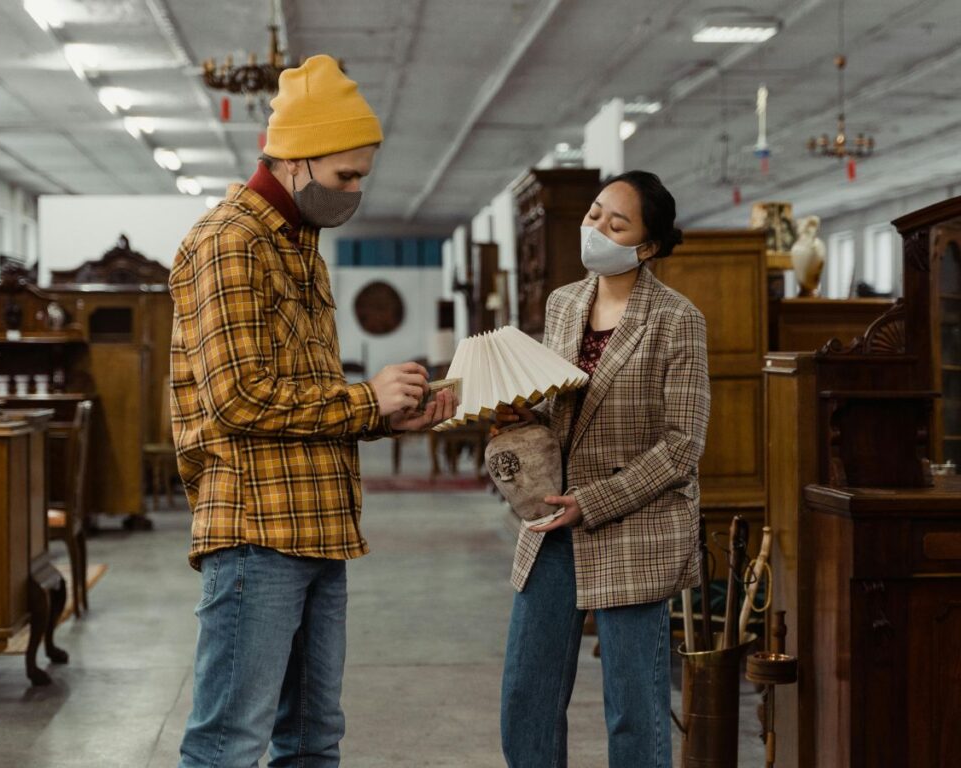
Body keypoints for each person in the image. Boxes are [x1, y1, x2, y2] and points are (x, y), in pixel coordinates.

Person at [169, 54, 457, 767]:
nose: (355, 192)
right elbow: (237, 397)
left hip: (319, 524)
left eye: (362, 176)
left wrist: (385, 417)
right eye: (345, 177)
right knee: (228, 743)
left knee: (311, 740)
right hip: (257, 529)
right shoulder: (229, 242)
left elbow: (298, 393)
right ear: (294, 162)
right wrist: (365, 398)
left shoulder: (301, 246)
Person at [497, 171, 710, 767]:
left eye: (616, 224)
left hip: (633, 528)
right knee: (526, 696)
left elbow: (682, 445)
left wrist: (592, 502)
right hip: (550, 523)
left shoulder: (677, 319)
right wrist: (513, 411)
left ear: (646, 246)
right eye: (594, 214)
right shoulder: (564, 303)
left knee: (633, 711)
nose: (596, 228)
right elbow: (555, 402)